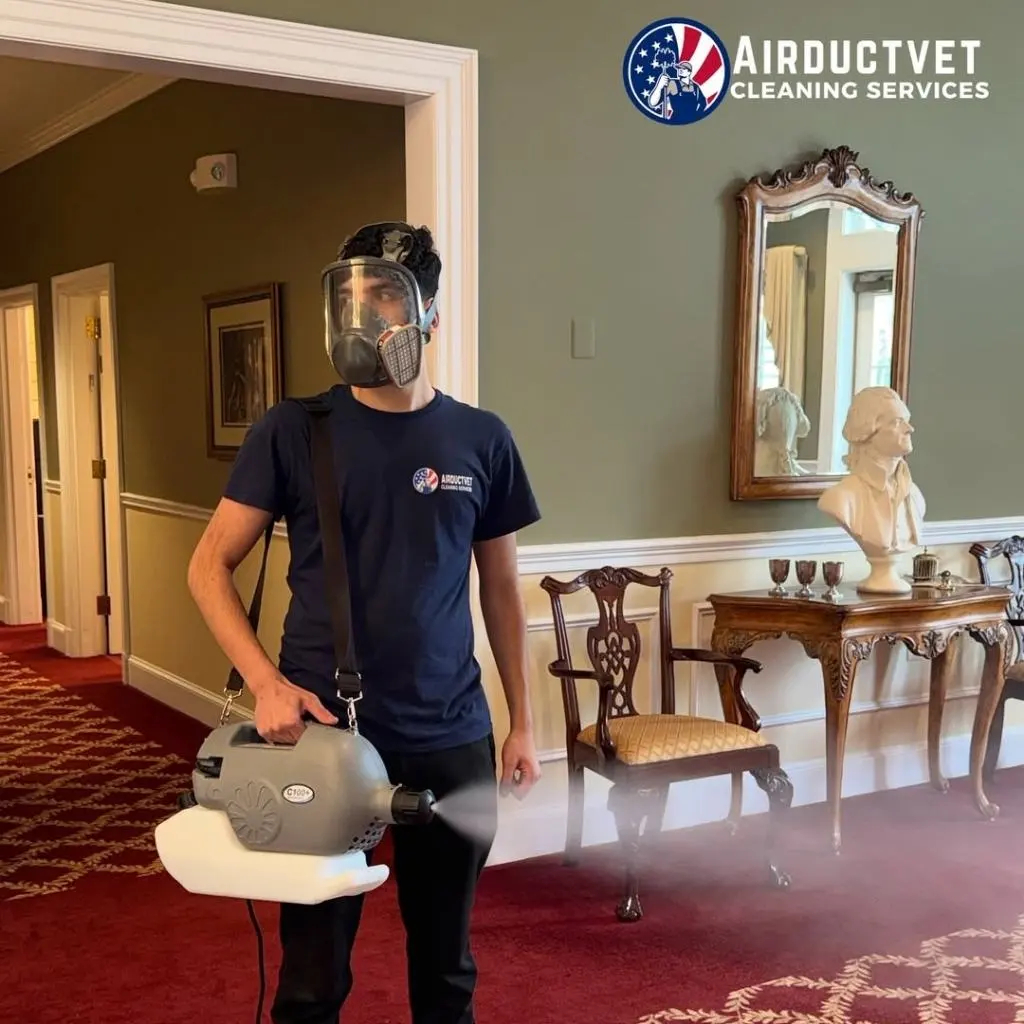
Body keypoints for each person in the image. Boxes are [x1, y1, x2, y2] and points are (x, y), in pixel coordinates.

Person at [187, 220, 543, 1024]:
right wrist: (266, 685)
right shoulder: (293, 430)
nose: (366, 316)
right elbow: (208, 566)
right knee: (313, 977)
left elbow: (502, 592)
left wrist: (521, 722)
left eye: (386, 295)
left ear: (429, 315)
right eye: (353, 297)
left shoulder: (483, 439)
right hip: (322, 735)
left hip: (452, 734)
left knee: (446, 967)